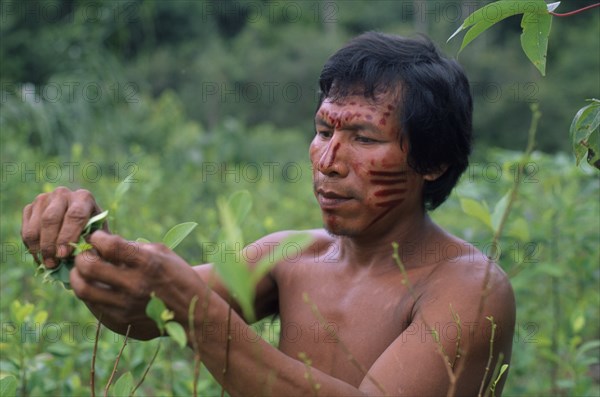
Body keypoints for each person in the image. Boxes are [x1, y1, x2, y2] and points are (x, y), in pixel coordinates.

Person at [21, 32, 515, 396]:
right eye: (324, 132)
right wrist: (82, 244)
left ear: (433, 162)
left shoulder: (467, 289)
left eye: (363, 139)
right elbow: (146, 313)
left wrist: (199, 315)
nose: (327, 162)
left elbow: (187, 307)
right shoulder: (293, 255)